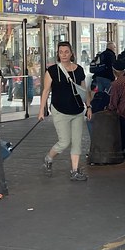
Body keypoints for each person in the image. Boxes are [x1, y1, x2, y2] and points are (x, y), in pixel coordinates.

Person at [38, 40, 92, 181]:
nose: (64, 54)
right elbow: (45, 91)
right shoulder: (52, 71)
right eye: (61, 52)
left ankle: (74, 171)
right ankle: (49, 158)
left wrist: (89, 106)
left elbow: (84, 90)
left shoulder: (79, 70)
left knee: (77, 142)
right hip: (60, 111)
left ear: (71, 53)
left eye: (66, 52)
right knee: (64, 142)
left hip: (77, 111)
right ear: (57, 54)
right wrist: (41, 110)